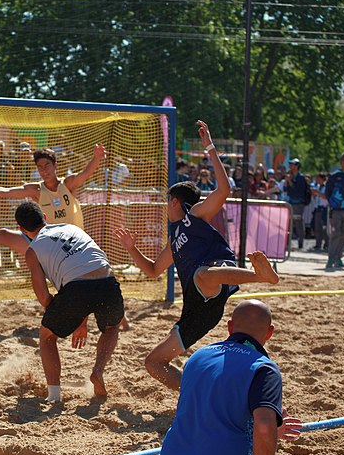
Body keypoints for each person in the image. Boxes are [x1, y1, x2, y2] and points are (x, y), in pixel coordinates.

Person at [115, 120, 279, 391]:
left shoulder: (196, 214)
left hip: (213, 278)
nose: (165, 206)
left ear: (175, 201)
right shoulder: (175, 238)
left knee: (204, 274)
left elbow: (224, 189)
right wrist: (133, 249)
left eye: (167, 201)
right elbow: (154, 270)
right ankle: (195, 393)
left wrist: (210, 147)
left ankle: (260, 276)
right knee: (153, 363)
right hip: (198, 309)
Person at [0, 143, 114, 342]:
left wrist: (97, 158)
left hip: (71, 248)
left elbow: (85, 174)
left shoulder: (68, 184)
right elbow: (7, 192)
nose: (44, 170)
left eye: (47, 165)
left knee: (82, 289)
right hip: (47, 243)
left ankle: (110, 321)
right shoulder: (36, 190)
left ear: (55, 166)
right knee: (2, 234)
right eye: (40, 167)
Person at [156, 299, 301, 455]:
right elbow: (263, 427)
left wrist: (271, 431)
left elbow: (210, 414)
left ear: (230, 327)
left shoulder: (199, 356)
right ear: (270, 332)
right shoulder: (264, 369)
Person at [14, 201, 124, 402]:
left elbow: (44, 296)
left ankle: (54, 396)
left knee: (47, 336)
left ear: (21, 229)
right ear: (45, 218)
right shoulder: (71, 227)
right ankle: (98, 370)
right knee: (112, 327)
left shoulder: (33, 250)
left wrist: (64, 316)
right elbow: (85, 269)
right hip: (108, 280)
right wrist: (78, 319)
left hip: (76, 288)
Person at [283, 159, 310, 249]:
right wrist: (287, 182)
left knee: (298, 221)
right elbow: (286, 189)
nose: (290, 166)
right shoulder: (289, 176)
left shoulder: (301, 178)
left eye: (292, 164)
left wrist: (290, 181)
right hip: (290, 202)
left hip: (298, 203)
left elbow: (298, 191)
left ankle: (301, 241)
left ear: (297, 166)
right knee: (288, 222)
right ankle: (287, 242)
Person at [310, 172, 329, 250]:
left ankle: (327, 243)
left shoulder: (326, 187)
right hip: (317, 208)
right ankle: (318, 244)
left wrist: (317, 193)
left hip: (324, 208)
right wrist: (314, 194)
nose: (317, 180)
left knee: (324, 228)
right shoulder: (317, 186)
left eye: (318, 178)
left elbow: (325, 197)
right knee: (317, 228)